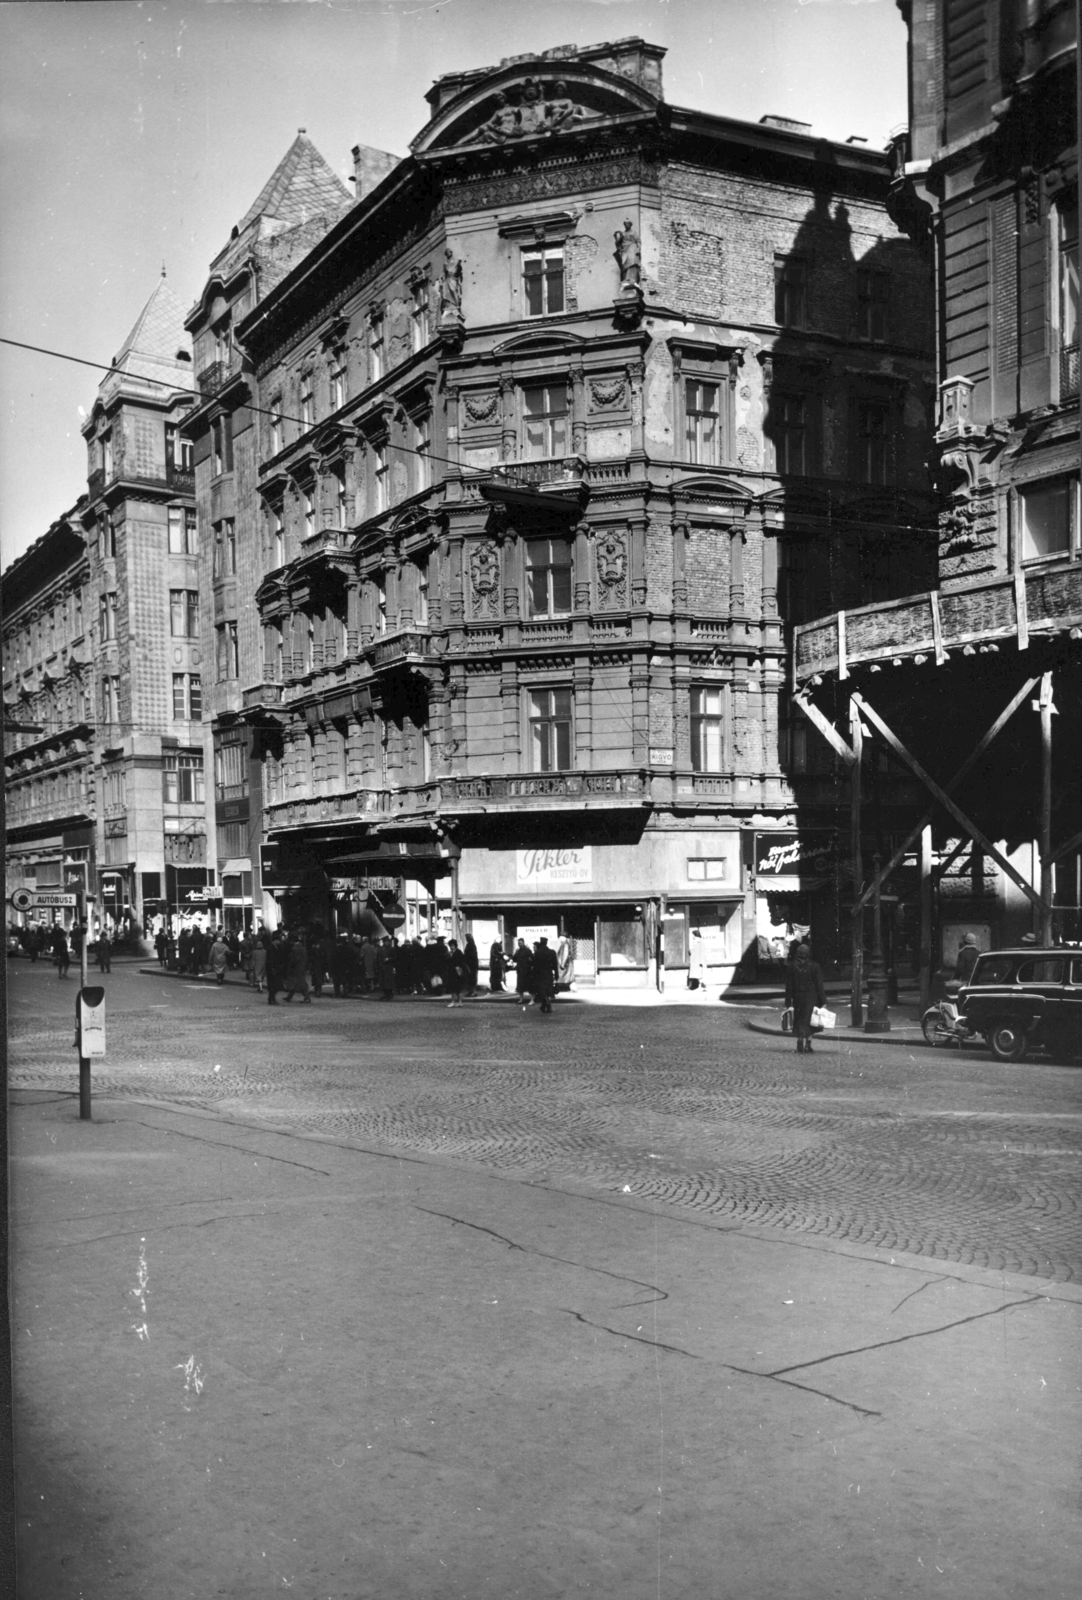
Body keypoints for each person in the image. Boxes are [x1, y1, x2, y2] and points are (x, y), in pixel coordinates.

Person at [784, 941, 826, 1054]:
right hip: (812, 997)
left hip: (798, 997)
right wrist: (823, 1001)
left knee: (799, 1019)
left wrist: (788, 1002)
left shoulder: (791, 967)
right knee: (810, 1022)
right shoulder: (814, 966)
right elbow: (819, 985)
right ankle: (808, 1045)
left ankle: (799, 1040)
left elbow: (789, 986)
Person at [532, 936, 559, 1014]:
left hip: (540, 974)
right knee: (548, 989)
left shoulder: (537, 953)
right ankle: (544, 1005)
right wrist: (556, 975)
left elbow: (535, 965)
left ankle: (547, 1004)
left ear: (541, 943)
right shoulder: (552, 952)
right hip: (549, 973)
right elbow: (555, 965)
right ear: (546, 943)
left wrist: (534, 975)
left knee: (542, 989)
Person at [281, 933, 311, 1003]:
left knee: (299, 983)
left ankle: (307, 997)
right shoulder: (303, 948)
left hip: (296, 969)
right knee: (297, 983)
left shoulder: (294, 949)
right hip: (302, 968)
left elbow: (292, 960)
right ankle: (289, 997)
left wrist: (290, 968)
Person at [446, 940, 470, 1007]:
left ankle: (457, 1001)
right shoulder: (451, 953)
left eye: (452, 946)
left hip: (457, 972)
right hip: (453, 972)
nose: (451, 947)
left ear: (455, 945)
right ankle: (457, 1001)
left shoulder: (458, 952)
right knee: (454, 987)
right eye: (450, 946)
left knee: (457, 987)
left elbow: (460, 961)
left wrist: (451, 957)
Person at [512, 939, 534, 1009]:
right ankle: (521, 999)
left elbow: (531, 959)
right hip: (520, 970)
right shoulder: (518, 951)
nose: (519, 944)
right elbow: (514, 959)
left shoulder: (527, 950)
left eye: (521, 943)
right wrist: (515, 953)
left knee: (529, 986)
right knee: (520, 986)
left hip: (526, 970)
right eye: (518, 943)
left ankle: (532, 1000)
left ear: (523, 943)